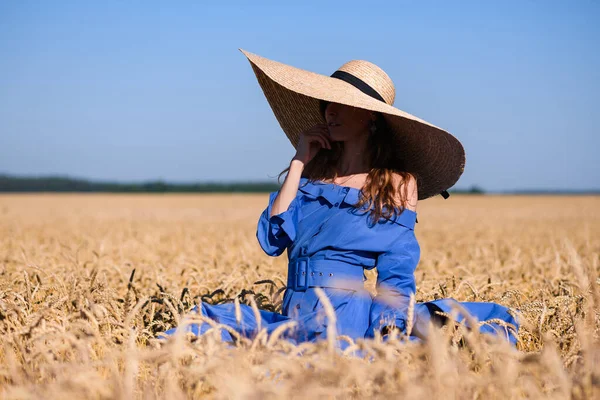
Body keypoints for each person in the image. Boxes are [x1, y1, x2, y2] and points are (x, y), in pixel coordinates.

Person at [162, 49, 519, 346]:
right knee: (199, 326)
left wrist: (390, 330)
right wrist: (299, 162)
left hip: (344, 313)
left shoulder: (397, 184)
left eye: (342, 103)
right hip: (295, 310)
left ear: (371, 117)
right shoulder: (312, 175)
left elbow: (396, 268)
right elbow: (272, 240)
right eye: (327, 102)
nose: (330, 111)